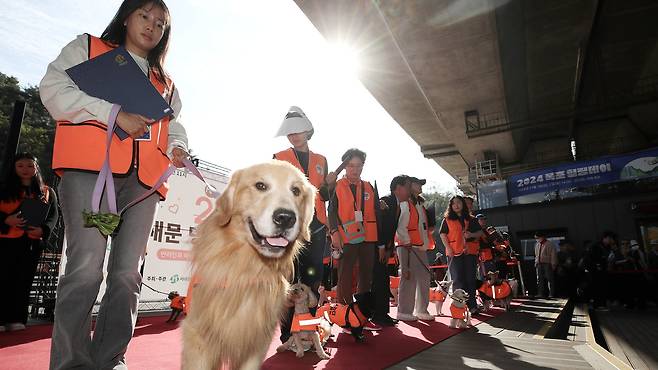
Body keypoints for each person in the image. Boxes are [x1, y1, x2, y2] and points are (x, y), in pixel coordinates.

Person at [39, 1, 189, 368]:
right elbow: (52, 90)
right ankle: (71, 363)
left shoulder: (165, 82)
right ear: (126, 16)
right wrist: (112, 113)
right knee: (86, 268)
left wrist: (178, 145)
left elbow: (175, 124)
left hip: (143, 186)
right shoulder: (87, 48)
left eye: (160, 23)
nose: (152, 27)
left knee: (126, 275)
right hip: (91, 174)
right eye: (145, 16)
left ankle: (111, 358)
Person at [273, 106, 336, 343]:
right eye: (289, 132)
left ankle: (307, 332)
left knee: (312, 280)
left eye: (297, 130)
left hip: (317, 226)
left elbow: (326, 196)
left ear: (307, 131)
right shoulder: (279, 158)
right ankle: (288, 334)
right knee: (289, 279)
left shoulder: (322, 160)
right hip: (289, 227)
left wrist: (329, 185)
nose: (293, 135)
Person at [0, 153, 59, 332]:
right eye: (21, 166)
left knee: (24, 280)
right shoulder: (3, 189)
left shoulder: (47, 191)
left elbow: (53, 216)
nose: (26, 169)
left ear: (36, 169)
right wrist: (5, 220)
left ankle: (18, 319)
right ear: (14, 168)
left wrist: (44, 230)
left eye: (30, 166)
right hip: (5, 241)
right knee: (3, 279)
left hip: (31, 243)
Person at [328, 148, 381, 331]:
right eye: (351, 165)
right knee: (344, 277)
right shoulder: (336, 185)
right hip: (345, 238)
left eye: (358, 166)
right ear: (344, 166)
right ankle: (344, 317)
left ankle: (362, 316)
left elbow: (375, 212)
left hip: (368, 237)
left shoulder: (368, 186)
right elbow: (331, 211)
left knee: (366, 276)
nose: (355, 169)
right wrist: (334, 233)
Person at [372, 175, 411, 326]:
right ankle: (378, 315)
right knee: (379, 280)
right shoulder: (387, 201)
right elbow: (379, 226)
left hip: (385, 248)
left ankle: (382, 314)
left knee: (383, 280)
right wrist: (381, 246)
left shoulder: (397, 205)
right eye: (407, 187)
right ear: (398, 188)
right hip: (376, 247)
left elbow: (390, 230)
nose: (409, 191)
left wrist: (389, 248)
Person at [395, 177, 434, 321]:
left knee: (424, 277)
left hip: (419, 246)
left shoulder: (420, 204)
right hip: (407, 245)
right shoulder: (406, 203)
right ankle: (404, 311)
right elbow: (401, 226)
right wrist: (406, 241)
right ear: (410, 186)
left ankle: (422, 310)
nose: (420, 186)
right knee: (408, 277)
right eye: (417, 184)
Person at [439, 196, 483, 314]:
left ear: (463, 204)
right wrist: (448, 248)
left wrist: (471, 234)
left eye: (458, 202)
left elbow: (480, 232)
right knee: (458, 280)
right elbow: (442, 234)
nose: (456, 205)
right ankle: (459, 307)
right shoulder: (447, 220)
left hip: (470, 253)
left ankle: (472, 306)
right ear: (451, 206)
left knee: (470, 279)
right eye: (453, 204)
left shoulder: (472, 219)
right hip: (454, 253)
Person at [534, 231, 558, 298]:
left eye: (538, 238)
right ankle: (540, 293)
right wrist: (536, 262)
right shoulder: (537, 244)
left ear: (542, 237)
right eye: (536, 238)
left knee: (549, 279)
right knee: (539, 279)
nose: (537, 239)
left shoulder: (550, 244)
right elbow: (536, 255)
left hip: (547, 263)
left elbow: (553, 255)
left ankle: (551, 293)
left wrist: (553, 264)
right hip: (539, 263)